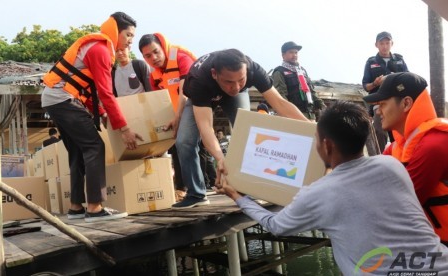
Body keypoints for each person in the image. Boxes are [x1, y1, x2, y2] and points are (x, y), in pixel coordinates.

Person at [215, 100, 448, 274]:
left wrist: (237, 196)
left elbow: (276, 225)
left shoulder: (319, 193)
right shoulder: (391, 166)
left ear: (326, 145)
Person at [172, 48, 308, 209]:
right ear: (215, 74)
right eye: (229, 81)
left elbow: (279, 103)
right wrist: (220, 159)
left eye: (241, 80)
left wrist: (312, 127)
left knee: (247, 131)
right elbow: (205, 127)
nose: (236, 86)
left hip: (233, 98)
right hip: (202, 94)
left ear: (246, 72)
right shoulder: (199, 80)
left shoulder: (254, 70)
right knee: (184, 141)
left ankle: (249, 189)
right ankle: (196, 193)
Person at [42, 12, 142, 222]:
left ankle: (76, 207)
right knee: (95, 147)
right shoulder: (101, 50)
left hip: (56, 99)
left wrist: (105, 116)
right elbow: (106, 93)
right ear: (116, 31)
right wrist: (124, 129)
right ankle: (95, 208)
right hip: (62, 99)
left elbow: (89, 93)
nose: (130, 40)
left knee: (78, 151)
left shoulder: (98, 47)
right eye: (128, 35)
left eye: (133, 36)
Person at [363, 72, 448, 245]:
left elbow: (399, 208)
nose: (378, 111)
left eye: (383, 104)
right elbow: (367, 180)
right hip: (433, 246)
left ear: (406, 103)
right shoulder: (397, 147)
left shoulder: (434, 145)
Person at [139, 33, 198, 202]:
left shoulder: (181, 57)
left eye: (156, 52)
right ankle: (183, 188)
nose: (154, 58)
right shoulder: (154, 75)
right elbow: (160, 102)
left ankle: (191, 189)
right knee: (175, 144)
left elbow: (185, 93)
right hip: (177, 111)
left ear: (162, 47)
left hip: (198, 103)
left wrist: (178, 118)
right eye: (148, 56)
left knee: (185, 142)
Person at [362, 31, 409, 153]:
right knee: (378, 130)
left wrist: (397, 78)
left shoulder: (400, 60)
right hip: (379, 102)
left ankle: (401, 159)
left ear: (392, 43)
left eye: (387, 43)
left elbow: (409, 80)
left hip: (398, 102)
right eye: (381, 43)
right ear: (376, 45)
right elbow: (366, 86)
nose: (384, 46)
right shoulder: (371, 62)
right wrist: (375, 83)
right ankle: (379, 160)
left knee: (399, 133)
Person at [272, 41, 325, 121]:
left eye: (296, 53)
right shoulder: (279, 72)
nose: (294, 55)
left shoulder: (302, 71)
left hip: (310, 116)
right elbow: (281, 97)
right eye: (291, 52)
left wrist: (324, 108)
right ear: (283, 55)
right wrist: (288, 115)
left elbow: (312, 92)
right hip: (293, 117)